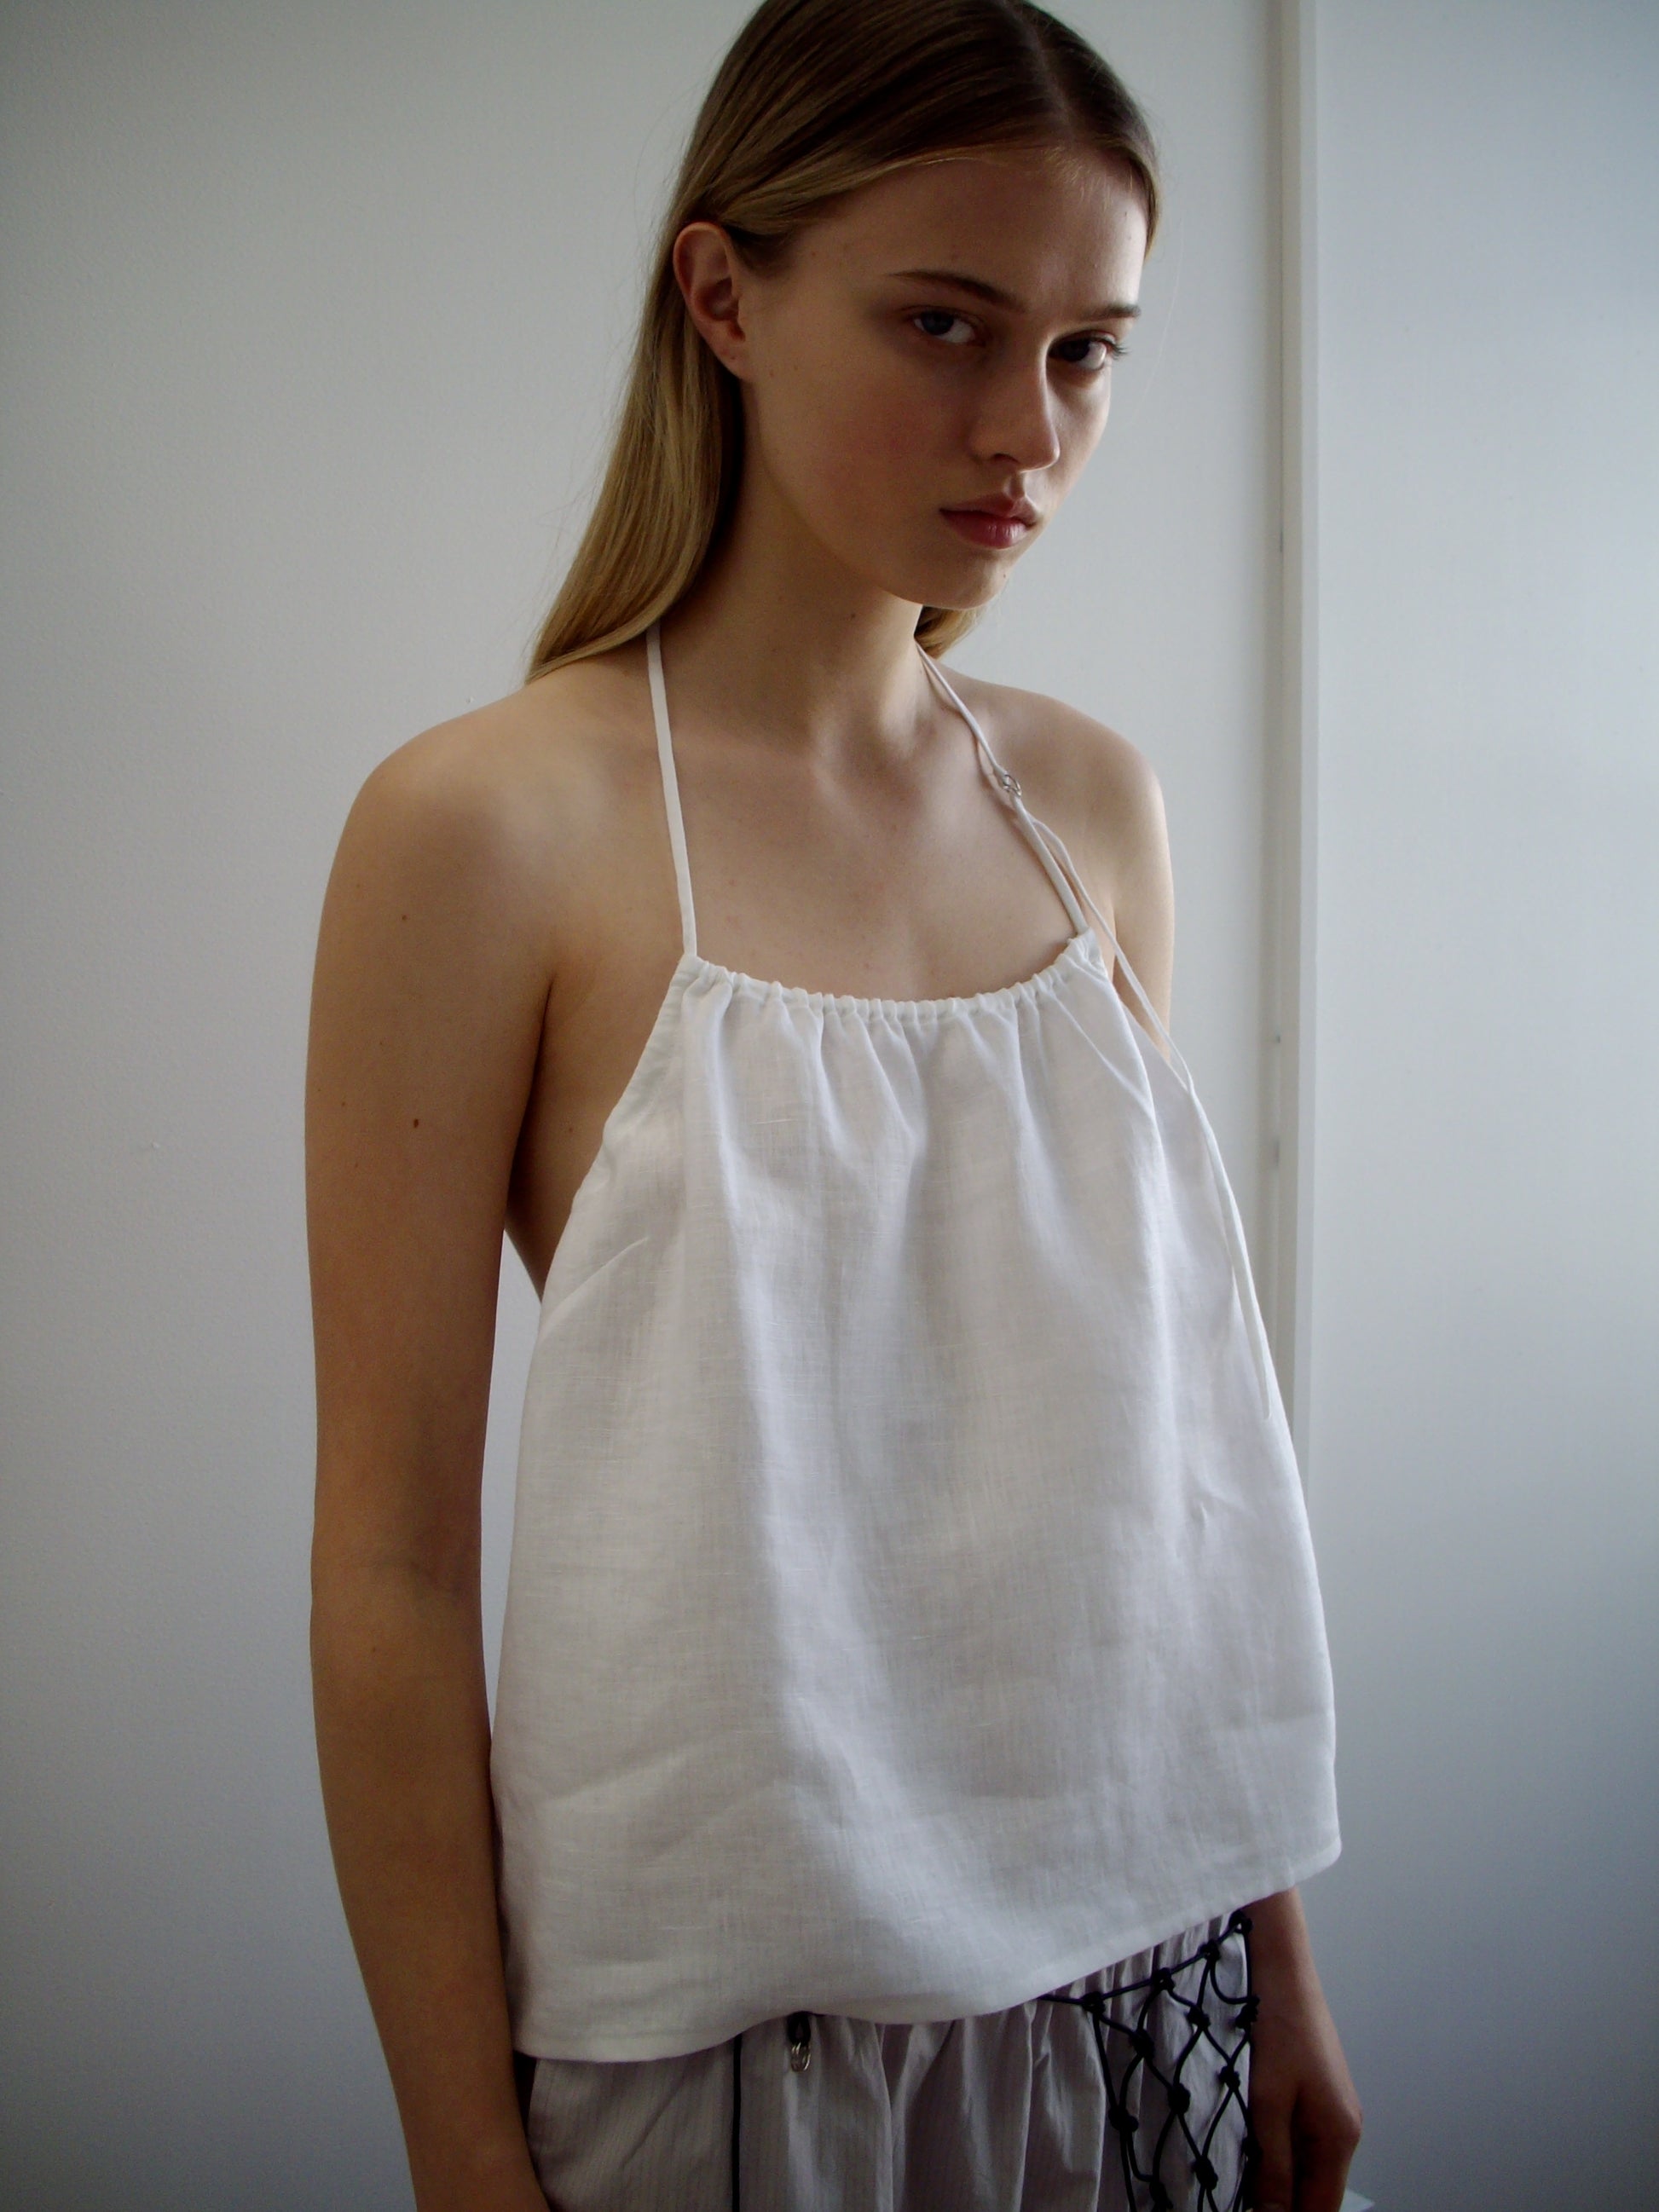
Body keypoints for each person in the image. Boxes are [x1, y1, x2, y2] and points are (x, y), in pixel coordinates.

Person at [305, 3, 1362, 2207]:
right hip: (723, 2038)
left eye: (1086, 352)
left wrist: (1277, 1956)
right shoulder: (488, 831)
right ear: (723, 297)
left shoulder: (1088, 807)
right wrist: (460, 2152)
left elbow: (1165, 1461)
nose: (1027, 429)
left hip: (1143, 1976)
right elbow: (393, 1562)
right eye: (944, 323)